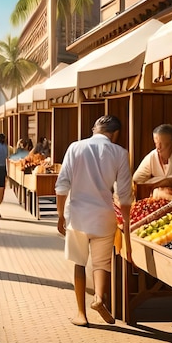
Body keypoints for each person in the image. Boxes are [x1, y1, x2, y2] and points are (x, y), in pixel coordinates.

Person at [55, 115, 133, 327]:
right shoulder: (120, 153)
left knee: (79, 263)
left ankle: (81, 314)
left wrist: (60, 214)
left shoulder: (75, 147)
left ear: (93, 129)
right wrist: (126, 223)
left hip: (78, 216)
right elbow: (125, 194)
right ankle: (99, 298)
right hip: (104, 216)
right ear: (115, 134)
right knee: (101, 264)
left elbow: (62, 185)